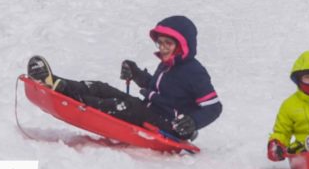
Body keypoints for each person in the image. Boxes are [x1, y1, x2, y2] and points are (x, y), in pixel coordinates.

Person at [27, 16, 221, 143]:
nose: (162, 48)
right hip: (149, 110)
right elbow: (157, 88)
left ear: (183, 45)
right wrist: (136, 74)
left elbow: (214, 106)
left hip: (169, 124)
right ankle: (55, 82)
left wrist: (192, 122)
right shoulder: (167, 64)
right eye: (160, 43)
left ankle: (70, 99)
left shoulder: (194, 72)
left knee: (123, 106)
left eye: (168, 43)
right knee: (102, 88)